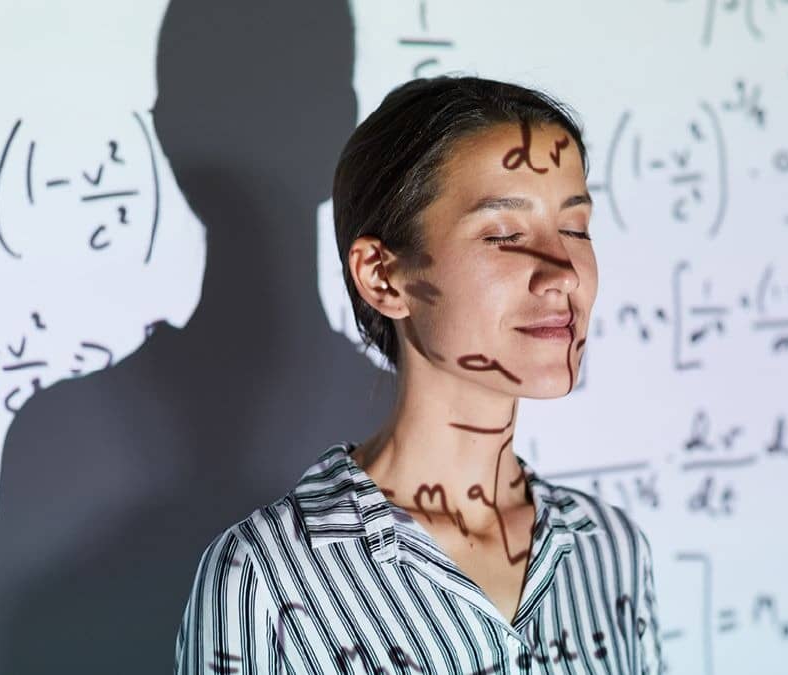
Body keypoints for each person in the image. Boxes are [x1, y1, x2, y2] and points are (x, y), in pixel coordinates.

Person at [175, 75, 663, 674]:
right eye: (505, 235)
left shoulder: (608, 549)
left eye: (574, 228)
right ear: (383, 277)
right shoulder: (268, 578)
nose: (561, 271)